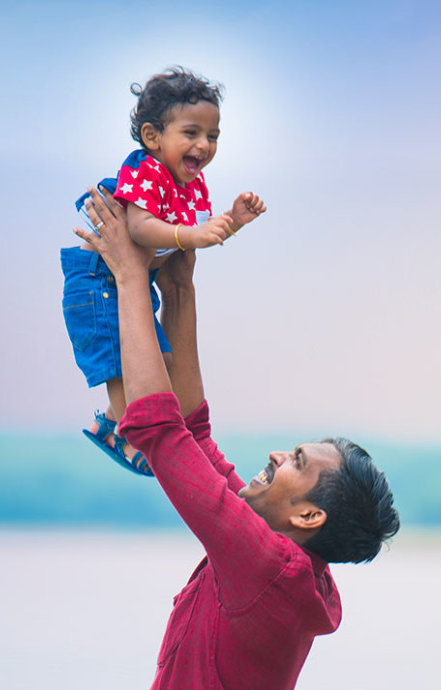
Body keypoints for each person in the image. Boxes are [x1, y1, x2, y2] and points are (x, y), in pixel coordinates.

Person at [74, 188, 400, 690]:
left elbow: (157, 430)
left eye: (294, 461)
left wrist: (125, 277)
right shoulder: (269, 558)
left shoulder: (268, 568)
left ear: (309, 512)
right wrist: (179, 291)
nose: (274, 458)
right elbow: (194, 431)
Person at [60, 67, 265, 476]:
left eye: (213, 136)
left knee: (164, 366)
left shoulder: (191, 184)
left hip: (129, 287)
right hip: (98, 285)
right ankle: (121, 429)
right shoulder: (144, 169)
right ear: (153, 137)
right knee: (126, 371)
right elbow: (139, 227)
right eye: (191, 133)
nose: (203, 145)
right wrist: (189, 235)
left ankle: (111, 426)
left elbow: (200, 230)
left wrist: (234, 221)